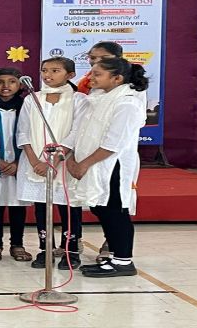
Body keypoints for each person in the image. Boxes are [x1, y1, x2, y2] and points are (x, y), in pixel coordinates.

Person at [68, 58, 148, 278]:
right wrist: (73, 156)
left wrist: (84, 164)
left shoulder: (127, 103)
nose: (90, 78)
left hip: (112, 165)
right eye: (91, 73)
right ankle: (114, 257)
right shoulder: (99, 98)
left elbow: (114, 143)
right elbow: (83, 131)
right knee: (101, 208)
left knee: (115, 211)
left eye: (97, 74)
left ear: (117, 78)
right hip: (94, 163)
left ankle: (123, 261)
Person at [16, 57, 87, 270]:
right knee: (41, 206)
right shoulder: (33, 99)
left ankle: (71, 251)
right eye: (44, 70)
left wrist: (54, 160)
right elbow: (23, 131)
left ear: (70, 75)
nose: (48, 75)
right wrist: (34, 161)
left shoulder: (79, 100)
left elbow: (77, 132)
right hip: (36, 162)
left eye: (55, 71)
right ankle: (45, 249)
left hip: (65, 161)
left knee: (69, 207)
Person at [76, 41, 123, 262]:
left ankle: (115, 248)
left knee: (112, 205)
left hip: (110, 157)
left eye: (101, 58)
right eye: (92, 58)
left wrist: (86, 161)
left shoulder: (128, 92)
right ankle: (75, 240)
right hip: (87, 152)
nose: (94, 62)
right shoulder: (88, 84)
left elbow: (117, 135)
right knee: (96, 203)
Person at [0, 68, 32, 263]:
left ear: (20, 85)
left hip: (21, 162)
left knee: (18, 205)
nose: (5, 86)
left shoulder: (28, 107)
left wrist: (19, 162)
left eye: (11, 81)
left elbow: (34, 135)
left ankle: (17, 244)